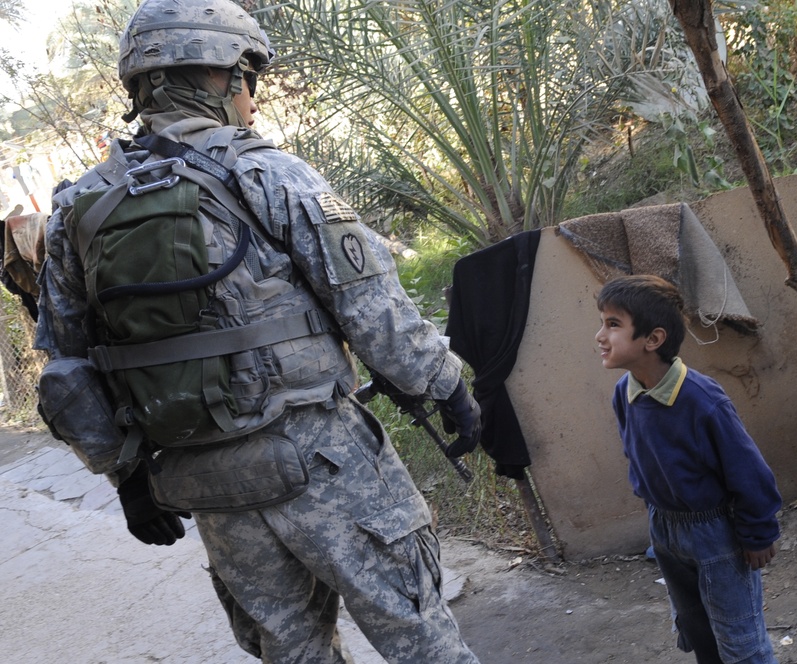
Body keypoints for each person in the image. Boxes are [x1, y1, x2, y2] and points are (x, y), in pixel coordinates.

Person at [34, 1, 482, 662]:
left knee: (290, 650)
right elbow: (371, 307)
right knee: (418, 632)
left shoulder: (77, 207)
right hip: (322, 459)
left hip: (207, 482)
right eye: (249, 78)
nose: (252, 100)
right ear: (225, 76)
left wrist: (128, 480)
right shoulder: (267, 172)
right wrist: (447, 388)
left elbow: (69, 369)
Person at [595, 274, 781, 664]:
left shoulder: (701, 400)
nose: (600, 335)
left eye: (613, 325)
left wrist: (758, 533)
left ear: (653, 339)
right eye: (603, 322)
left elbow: (749, 471)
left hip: (714, 534)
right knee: (696, 626)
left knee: (739, 638)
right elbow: (638, 457)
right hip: (663, 527)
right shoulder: (624, 394)